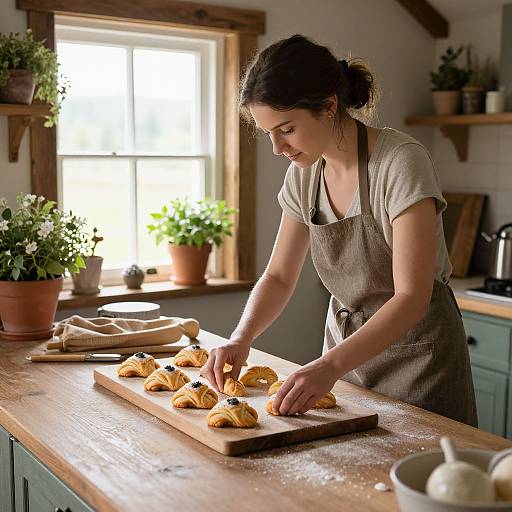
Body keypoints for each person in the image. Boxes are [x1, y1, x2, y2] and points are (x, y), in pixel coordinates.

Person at [200, 34, 477, 425]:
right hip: (345, 362)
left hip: (419, 361)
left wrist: (328, 365)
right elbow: (279, 276)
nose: (278, 148)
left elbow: (412, 297)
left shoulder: (400, 163)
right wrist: (240, 338)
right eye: (269, 134)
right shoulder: (304, 174)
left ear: (329, 105)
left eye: (287, 129)